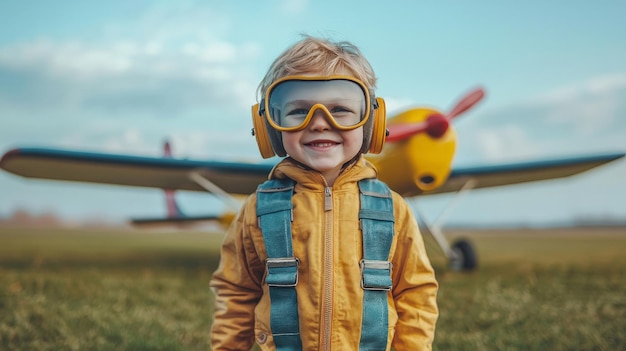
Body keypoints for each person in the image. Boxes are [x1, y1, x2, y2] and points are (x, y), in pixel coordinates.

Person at [210, 35, 438, 350]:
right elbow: (235, 292)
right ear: (269, 128)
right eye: (299, 110)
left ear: (370, 122)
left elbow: (416, 293)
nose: (319, 123)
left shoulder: (394, 209)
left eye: (340, 109)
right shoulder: (256, 209)